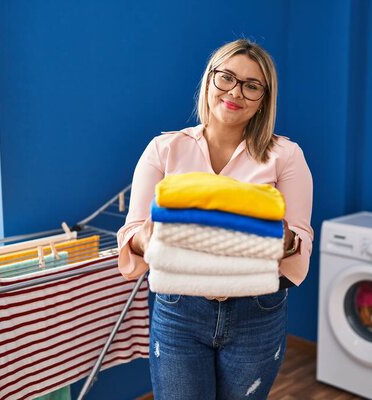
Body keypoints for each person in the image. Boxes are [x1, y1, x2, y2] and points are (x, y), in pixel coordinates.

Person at [117, 39, 313, 399]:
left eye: (252, 85)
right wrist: (153, 238)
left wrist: (278, 237)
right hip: (180, 310)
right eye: (226, 77)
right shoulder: (164, 149)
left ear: (263, 101)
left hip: (257, 310)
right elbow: (132, 232)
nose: (235, 91)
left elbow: (300, 237)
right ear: (209, 80)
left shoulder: (286, 156)